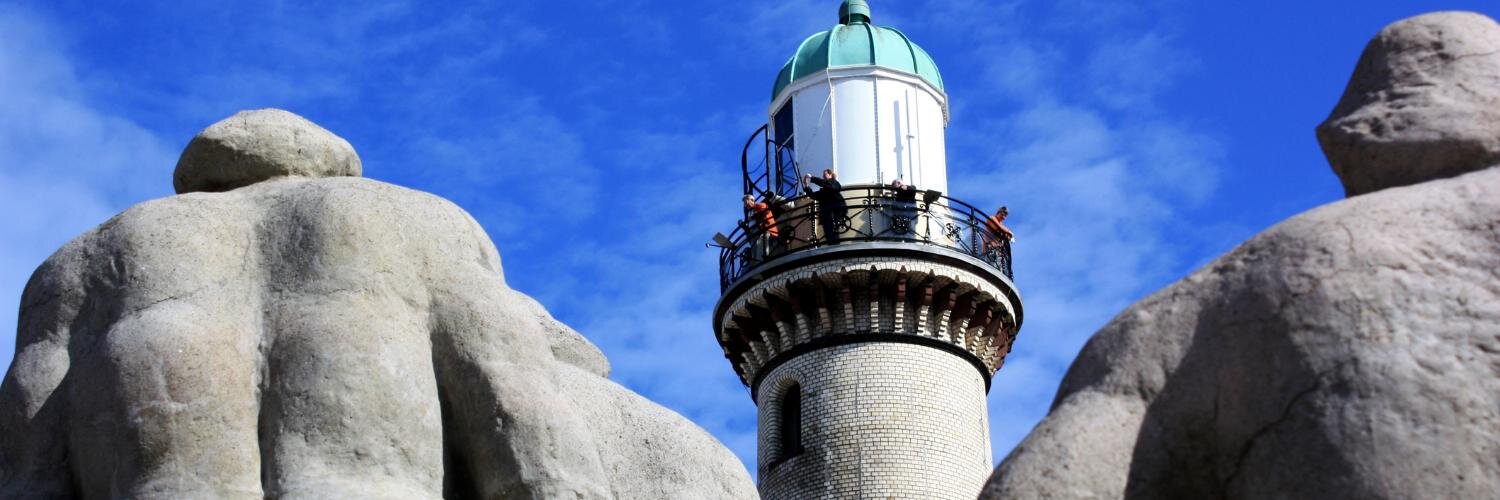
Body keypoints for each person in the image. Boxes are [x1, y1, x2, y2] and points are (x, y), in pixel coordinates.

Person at [803, 169, 847, 244]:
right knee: (829, 232)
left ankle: (835, 245)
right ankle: (832, 245)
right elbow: (814, 196)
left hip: (834, 211)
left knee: (834, 230)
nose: (823, 176)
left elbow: (831, 187)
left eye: (825, 174)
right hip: (827, 214)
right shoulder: (825, 189)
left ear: (830, 175)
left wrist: (812, 178)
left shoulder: (834, 183)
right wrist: (807, 186)